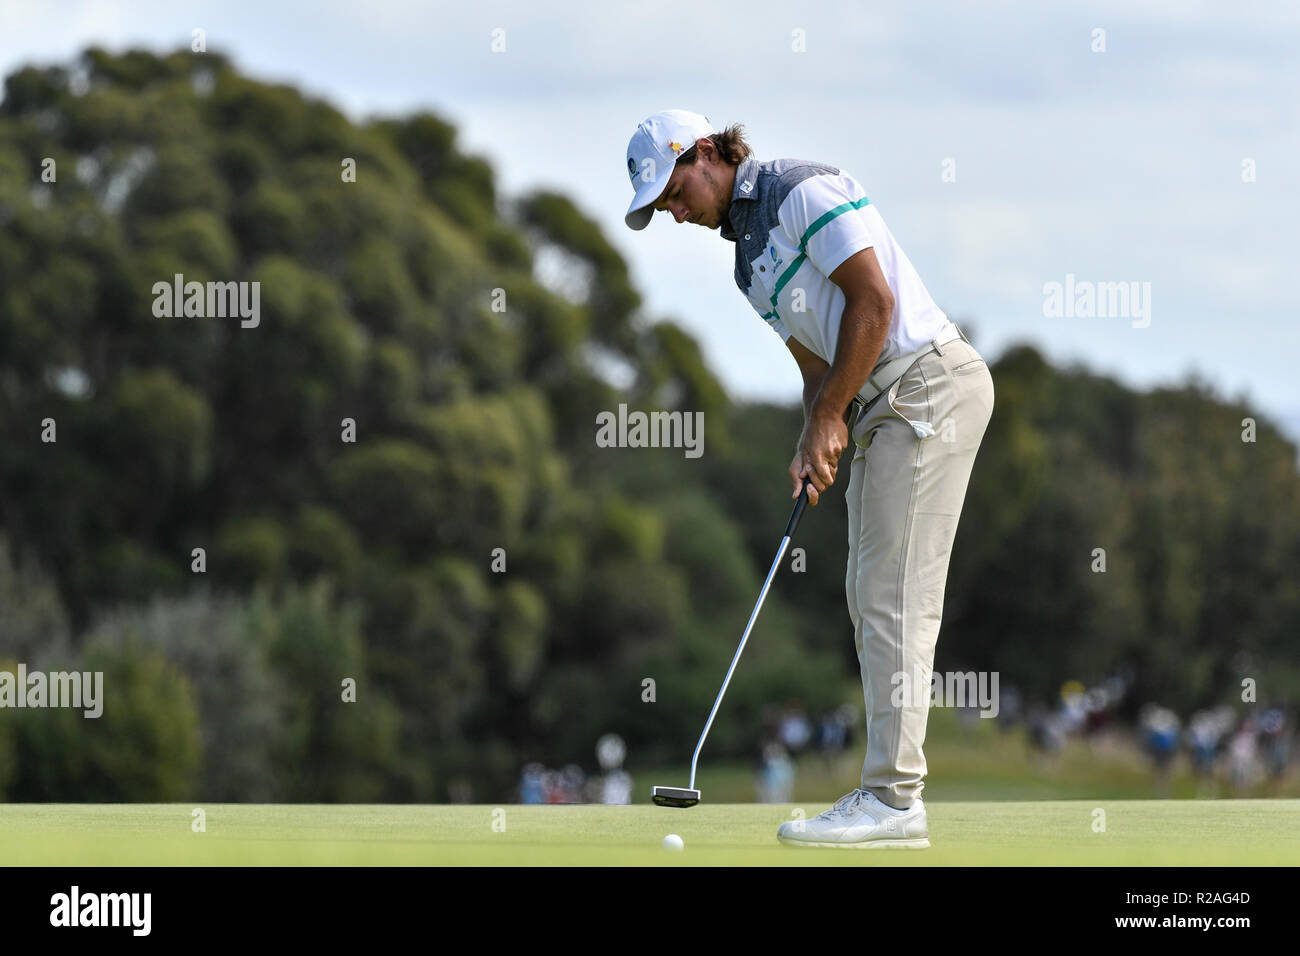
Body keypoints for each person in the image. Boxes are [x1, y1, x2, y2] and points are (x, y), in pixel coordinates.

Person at [624, 110, 995, 848]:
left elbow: (874, 301)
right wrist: (812, 431)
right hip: (881, 404)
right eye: (660, 205)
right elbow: (817, 368)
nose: (672, 212)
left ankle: (893, 802)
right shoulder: (745, 263)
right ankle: (890, 796)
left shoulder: (802, 190)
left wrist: (833, 418)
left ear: (704, 153)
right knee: (870, 595)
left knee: (892, 597)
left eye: (671, 192)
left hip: (927, 387)